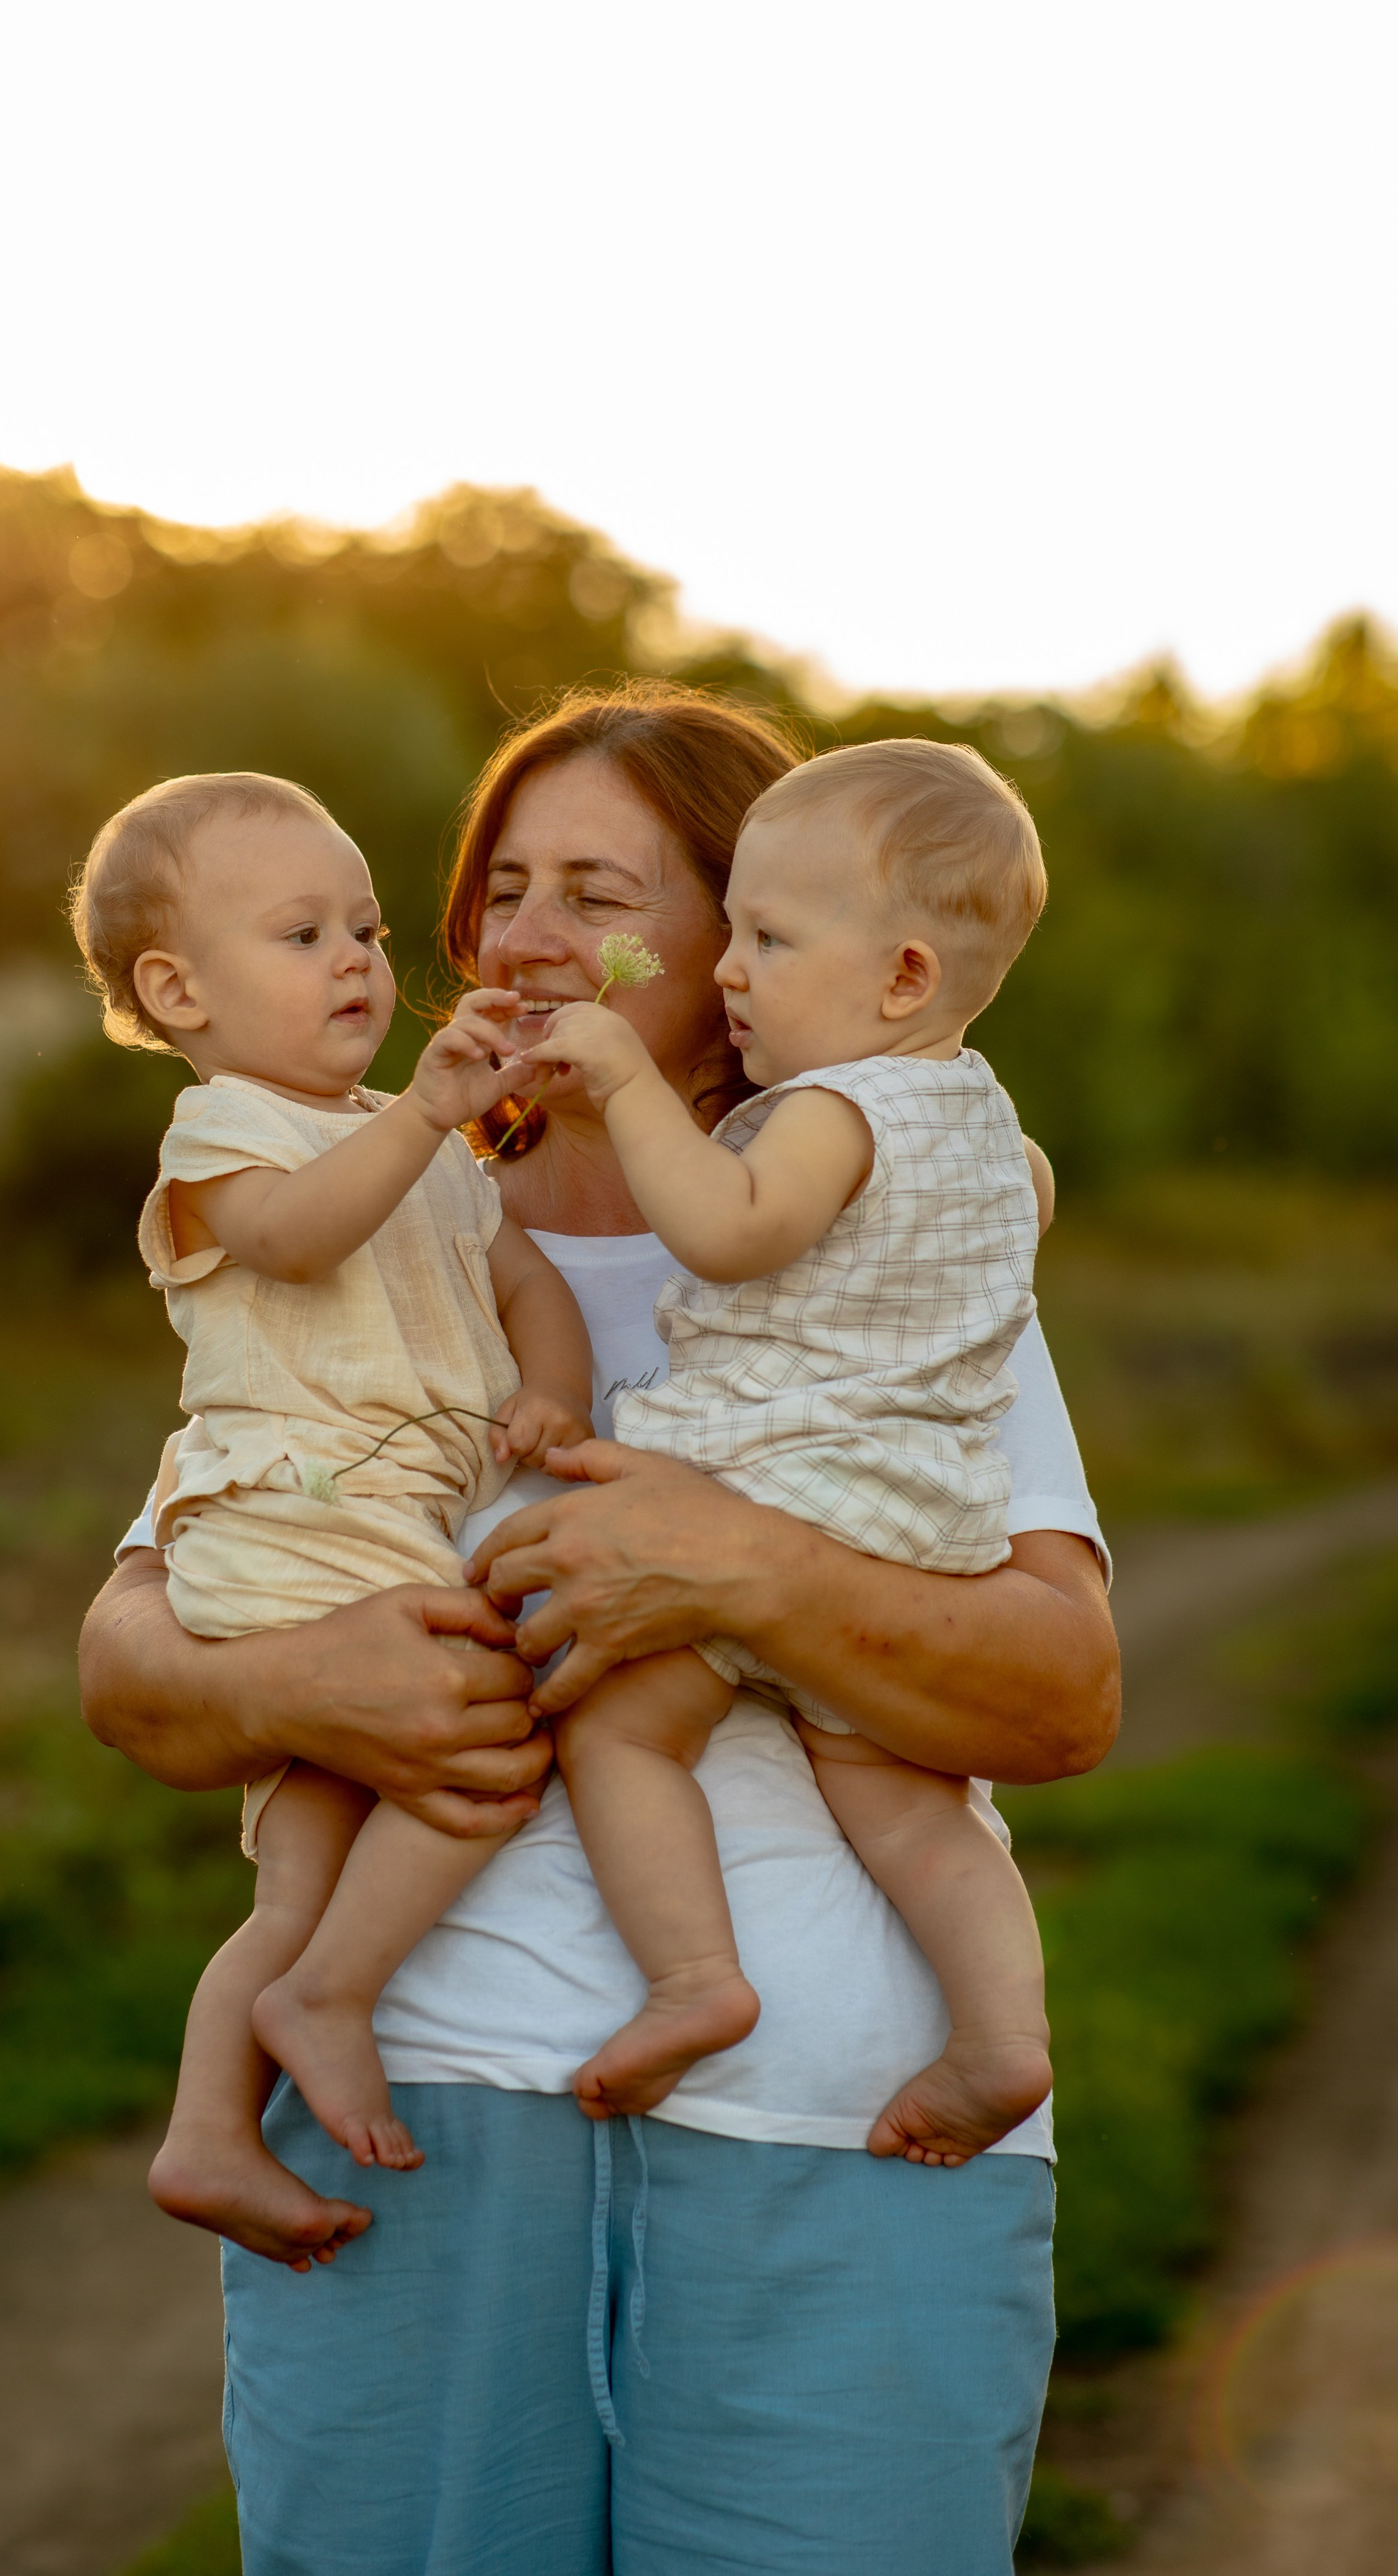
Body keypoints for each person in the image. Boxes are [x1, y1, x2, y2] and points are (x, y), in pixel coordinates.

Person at [80, 683, 1119, 2575]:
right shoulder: (369, 1229)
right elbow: (136, 1666)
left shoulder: (898, 1249)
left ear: (739, 946)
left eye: (603, 895)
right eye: (504, 889)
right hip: (420, 2135)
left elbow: (1064, 1696)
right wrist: (305, 1683)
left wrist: (739, 1571)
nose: (531, 937)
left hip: (836, 2132)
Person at [66, 769, 594, 2248]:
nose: (357, 961)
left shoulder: (413, 1140)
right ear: (178, 991)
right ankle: (332, 1998)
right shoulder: (225, 1133)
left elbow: (521, 1280)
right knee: (493, 1733)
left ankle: (209, 2133)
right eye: (302, 936)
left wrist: (551, 1393)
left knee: (299, 1877)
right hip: (300, 1516)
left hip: (378, 1520)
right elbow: (297, 1241)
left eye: (364, 930)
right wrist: (427, 1114)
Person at [530, 738, 1054, 2162]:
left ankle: (695, 1978)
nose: (732, 971)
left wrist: (624, 1081)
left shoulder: (832, 1109)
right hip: (923, 1518)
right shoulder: (994, 1127)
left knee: (618, 1726)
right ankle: (1001, 2037)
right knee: (910, 1807)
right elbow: (1005, 1242)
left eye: (767, 938)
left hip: (780, 1485)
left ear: (902, 978)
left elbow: (729, 1229)